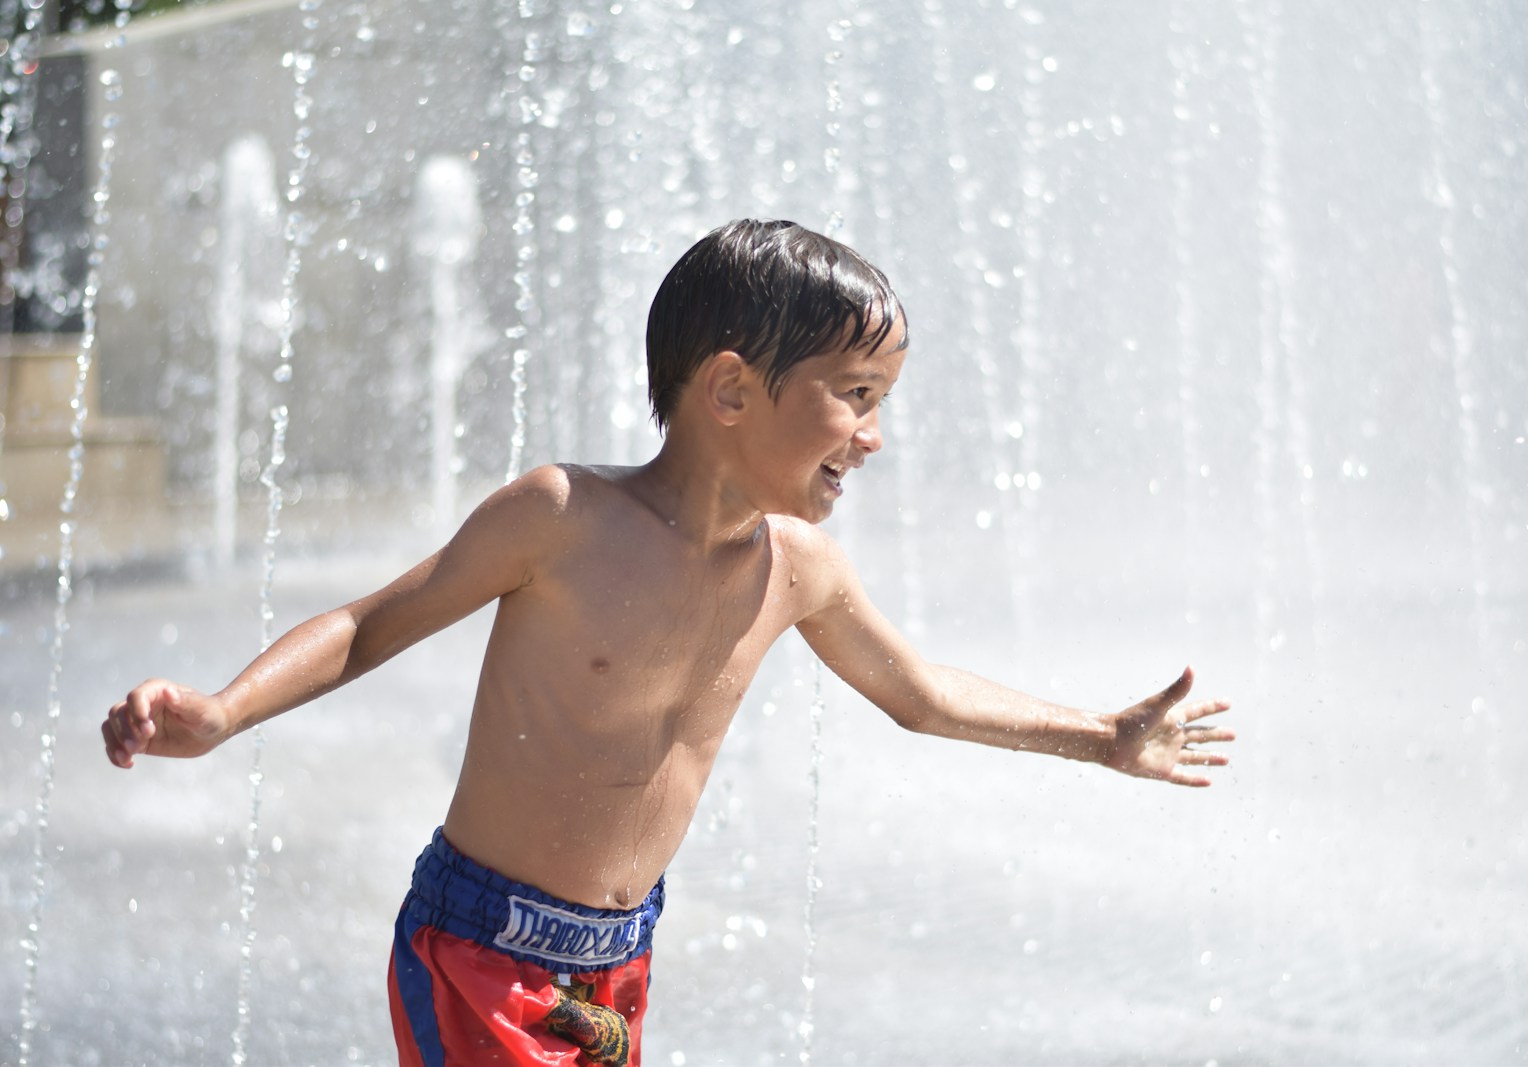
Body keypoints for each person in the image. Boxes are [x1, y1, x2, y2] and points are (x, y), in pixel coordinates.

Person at [102, 218, 1235, 1067]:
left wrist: (1099, 735)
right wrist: (220, 712)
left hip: (616, 962)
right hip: (478, 949)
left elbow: (921, 694)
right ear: (730, 389)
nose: (874, 435)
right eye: (852, 394)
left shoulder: (797, 568)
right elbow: (367, 625)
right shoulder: (561, 519)